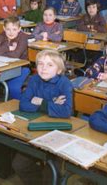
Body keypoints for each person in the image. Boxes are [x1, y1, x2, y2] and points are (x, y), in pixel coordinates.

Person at [12, 49, 73, 184]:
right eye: (40, 64)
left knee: (51, 174)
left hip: (58, 132)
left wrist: (39, 101)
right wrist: (51, 104)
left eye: (50, 65)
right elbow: (23, 104)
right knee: (19, 165)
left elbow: (66, 111)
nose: (44, 68)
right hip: (36, 129)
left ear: (58, 70)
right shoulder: (34, 80)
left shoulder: (64, 83)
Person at [0, 16, 30, 108]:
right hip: (1, 66)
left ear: (19, 29)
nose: (11, 32)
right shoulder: (2, 35)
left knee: (13, 88)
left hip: (20, 68)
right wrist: (8, 48)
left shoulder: (23, 38)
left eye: (14, 29)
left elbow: (16, 55)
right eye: (8, 29)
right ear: (4, 28)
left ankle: (20, 110)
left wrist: (0, 51)